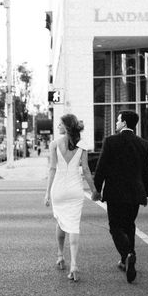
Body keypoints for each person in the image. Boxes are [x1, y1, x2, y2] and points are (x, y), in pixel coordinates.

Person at [91, 110, 148, 283]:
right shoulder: (143, 144)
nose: (116, 123)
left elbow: (101, 167)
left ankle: (128, 254)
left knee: (115, 227)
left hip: (115, 193)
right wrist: (145, 193)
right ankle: (126, 260)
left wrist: (97, 189)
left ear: (124, 123)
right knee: (129, 225)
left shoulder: (111, 141)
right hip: (135, 194)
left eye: (118, 120)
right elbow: (146, 172)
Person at [44, 114, 98, 282]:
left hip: (58, 189)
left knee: (60, 222)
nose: (58, 126)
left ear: (66, 127)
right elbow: (87, 171)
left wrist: (47, 193)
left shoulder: (54, 144)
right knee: (73, 226)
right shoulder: (82, 146)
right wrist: (94, 190)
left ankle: (60, 255)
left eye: (60, 124)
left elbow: (52, 169)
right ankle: (74, 264)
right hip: (75, 190)